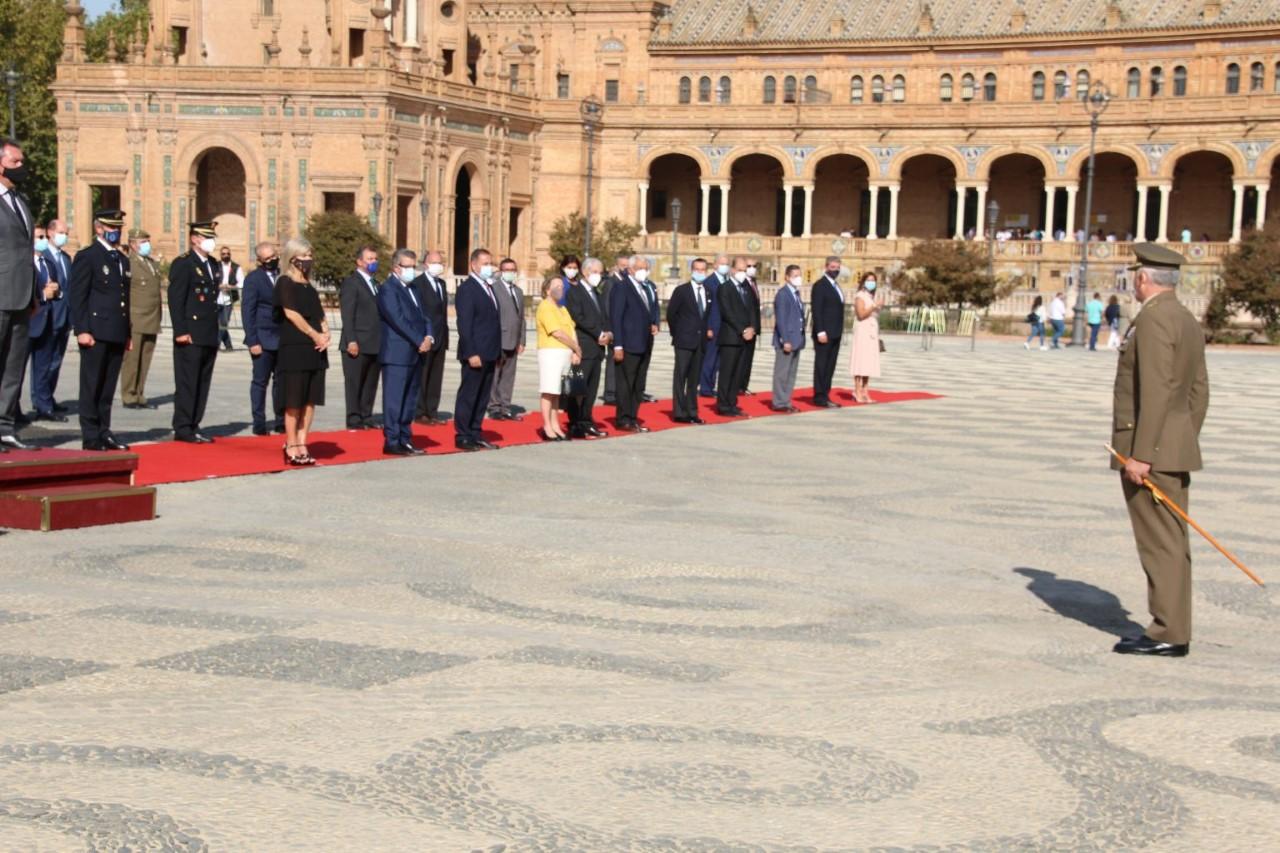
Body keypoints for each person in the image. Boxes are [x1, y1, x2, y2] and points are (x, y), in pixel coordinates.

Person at [1111, 243, 1209, 658]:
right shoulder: (1185, 318)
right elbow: (1198, 391)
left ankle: (1168, 630)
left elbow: (1154, 390)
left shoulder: (1152, 321)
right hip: (1173, 447)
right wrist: (1180, 438)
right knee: (1172, 540)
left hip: (1149, 451)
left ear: (1142, 278)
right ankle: (1171, 623)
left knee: (1159, 542)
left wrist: (1145, 452)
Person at [69, 208, 132, 451]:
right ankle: (91, 434)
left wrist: (127, 332)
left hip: (116, 330)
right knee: (91, 385)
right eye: (111, 227)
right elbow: (78, 297)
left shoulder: (122, 259)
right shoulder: (88, 256)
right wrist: (82, 329)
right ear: (99, 228)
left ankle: (104, 430)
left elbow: (124, 299)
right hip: (95, 331)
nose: (116, 231)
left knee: (107, 387)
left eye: (118, 228)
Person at [273, 237, 329, 466]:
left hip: (315, 350)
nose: (308, 260)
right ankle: (292, 443)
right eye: (304, 256)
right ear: (293, 258)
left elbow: (320, 313)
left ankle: (303, 441)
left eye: (310, 256)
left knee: (309, 400)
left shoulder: (309, 285)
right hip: (295, 346)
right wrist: (314, 334)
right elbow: (291, 314)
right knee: (294, 400)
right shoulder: (284, 282)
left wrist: (325, 333)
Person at [167, 220, 222, 444]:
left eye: (212, 237)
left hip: (209, 331)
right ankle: (183, 426)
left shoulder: (213, 264)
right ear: (194, 239)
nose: (211, 242)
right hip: (190, 332)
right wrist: (180, 330)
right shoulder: (184, 263)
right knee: (188, 382)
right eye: (207, 237)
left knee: (202, 381)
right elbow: (176, 299)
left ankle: (195, 423)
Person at [0, 137, 38, 452]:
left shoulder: (21, 200)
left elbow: (26, 251)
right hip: (0, 295)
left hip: (22, 297)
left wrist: (35, 293)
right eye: (16, 163)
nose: (21, 167)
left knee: (14, 367)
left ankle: (5, 427)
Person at [377, 249, 433, 456]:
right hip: (397, 353)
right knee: (394, 399)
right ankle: (392, 440)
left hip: (416, 352)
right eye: (407, 266)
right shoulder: (388, 289)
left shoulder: (414, 288)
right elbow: (397, 319)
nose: (411, 270)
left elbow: (424, 316)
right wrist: (419, 339)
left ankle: (405, 437)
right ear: (396, 267)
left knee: (410, 399)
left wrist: (429, 336)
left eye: (413, 266)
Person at [453, 248, 502, 451]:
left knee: (483, 395)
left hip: (490, 352)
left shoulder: (489, 287)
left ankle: (475, 431)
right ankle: (463, 434)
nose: (489, 267)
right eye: (485, 263)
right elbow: (465, 324)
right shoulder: (468, 289)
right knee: (470, 394)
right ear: (473, 265)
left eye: (491, 263)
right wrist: (471, 352)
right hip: (475, 352)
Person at [241, 241, 285, 435]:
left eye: (274, 256)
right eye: (267, 258)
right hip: (262, 337)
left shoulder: (283, 276)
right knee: (260, 381)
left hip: (282, 337)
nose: (272, 260)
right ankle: (259, 421)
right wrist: (252, 340)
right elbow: (247, 311)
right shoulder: (254, 279)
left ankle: (281, 419)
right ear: (259, 260)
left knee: (281, 381)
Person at [28, 224, 70, 422]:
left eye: (44, 236)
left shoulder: (48, 263)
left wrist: (56, 290)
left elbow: (60, 289)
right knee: (16, 372)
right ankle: (12, 409)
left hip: (50, 319)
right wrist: (43, 295)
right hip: (29, 321)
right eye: (40, 236)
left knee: (44, 366)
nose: (44, 240)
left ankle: (44, 405)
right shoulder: (25, 263)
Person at [563, 256, 610, 439]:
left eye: (600, 272)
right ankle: (576, 423)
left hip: (597, 349)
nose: (598, 276)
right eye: (595, 272)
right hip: (584, 347)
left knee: (591, 388)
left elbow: (603, 316)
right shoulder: (574, 292)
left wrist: (608, 334)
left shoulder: (596, 293)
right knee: (577, 389)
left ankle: (587, 420)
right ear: (585, 272)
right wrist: (598, 333)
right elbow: (579, 317)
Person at [610, 254, 655, 432]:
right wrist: (618, 345)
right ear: (630, 269)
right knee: (626, 383)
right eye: (640, 268)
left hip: (644, 343)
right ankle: (623, 418)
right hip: (628, 344)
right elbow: (617, 317)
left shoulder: (644, 287)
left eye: (645, 268)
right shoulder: (622, 287)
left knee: (638, 384)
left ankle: (633, 416)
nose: (643, 272)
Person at [118, 227, 161, 412]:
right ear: (133, 245)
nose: (147, 245)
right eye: (143, 242)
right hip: (136, 318)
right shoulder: (129, 264)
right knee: (132, 359)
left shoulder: (151, 263)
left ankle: (139, 393)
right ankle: (129, 395)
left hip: (152, 318)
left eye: (147, 241)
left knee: (145, 358)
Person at [339, 245, 382, 429]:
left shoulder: (376, 284)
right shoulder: (352, 282)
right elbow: (347, 314)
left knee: (370, 382)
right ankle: (354, 417)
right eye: (369, 259)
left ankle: (366, 414)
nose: (373, 262)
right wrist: (351, 340)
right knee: (354, 381)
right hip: (357, 341)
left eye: (375, 259)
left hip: (375, 342)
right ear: (359, 262)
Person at [535, 277, 581, 441]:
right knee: (549, 391)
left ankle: (555, 424)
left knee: (557, 393)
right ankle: (547, 426)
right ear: (548, 290)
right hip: (550, 352)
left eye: (562, 286)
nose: (560, 289)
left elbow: (571, 329)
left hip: (564, 353)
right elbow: (557, 332)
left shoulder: (562, 308)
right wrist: (575, 347)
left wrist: (575, 350)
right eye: (557, 286)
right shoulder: (545, 307)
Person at [666, 257, 710, 423]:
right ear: (692, 271)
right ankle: (679, 411)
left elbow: (705, 316)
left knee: (694, 379)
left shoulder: (707, 291)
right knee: (680, 376)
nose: (700, 273)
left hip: (700, 342)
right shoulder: (682, 291)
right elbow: (671, 314)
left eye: (703, 270)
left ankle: (692, 411)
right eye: (697, 269)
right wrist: (677, 334)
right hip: (684, 341)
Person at [40, 218, 75, 417]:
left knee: (56, 361)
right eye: (62, 232)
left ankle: (49, 397)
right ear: (51, 233)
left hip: (64, 318)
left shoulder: (66, 258)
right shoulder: (43, 256)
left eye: (67, 233)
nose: (65, 236)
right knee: (44, 363)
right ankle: (42, 402)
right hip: (48, 316)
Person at [412, 250, 450, 425]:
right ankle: (420, 412)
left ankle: (432, 410)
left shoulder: (441, 284)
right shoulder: (418, 284)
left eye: (440, 262)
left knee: (436, 375)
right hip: (425, 337)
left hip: (440, 337)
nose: (438, 265)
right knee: (423, 375)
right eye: (435, 262)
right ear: (426, 264)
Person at [488, 256, 528, 421]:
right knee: (495, 374)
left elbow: (522, 318)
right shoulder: (494, 289)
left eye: (513, 270)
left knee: (509, 376)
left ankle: (505, 405)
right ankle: (494, 406)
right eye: (507, 270)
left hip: (514, 339)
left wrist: (522, 340)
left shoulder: (518, 291)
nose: (510, 273)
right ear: (501, 271)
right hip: (499, 339)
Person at [715, 256, 754, 417]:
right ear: (732, 270)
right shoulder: (725, 288)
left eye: (744, 270)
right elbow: (727, 312)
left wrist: (752, 328)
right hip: (731, 337)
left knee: (738, 372)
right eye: (739, 270)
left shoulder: (747, 288)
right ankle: (723, 404)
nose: (742, 273)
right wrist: (742, 330)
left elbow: (752, 310)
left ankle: (732, 402)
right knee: (727, 372)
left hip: (745, 337)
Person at [810, 256, 845, 408]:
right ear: (826, 267)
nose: (835, 270)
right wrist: (820, 331)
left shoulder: (836, 286)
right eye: (832, 267)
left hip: (835, 332)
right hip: (824, 333)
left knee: (830, 366)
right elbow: (817, 310)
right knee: (822, 365)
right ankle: (819, 396)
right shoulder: (820, 285)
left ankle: (826, 393)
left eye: (837, 268)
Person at [771, 264, 806, 413]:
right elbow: (781, 319)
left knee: (791, 373)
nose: (798, 278)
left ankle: (786, 400)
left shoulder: (796, 294)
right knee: (782, 372)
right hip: (787, 340)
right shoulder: (783, 294)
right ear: (787, 277)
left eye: (799, 275)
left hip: (796, 339)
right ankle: (779, 402)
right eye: (795, 275)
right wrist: (785, 339)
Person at [698, 254, 728, 397]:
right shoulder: (709, 282)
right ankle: (704, 387)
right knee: (710, 358)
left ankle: (711, 385)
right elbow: (707, 307)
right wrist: (708, 327)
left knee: (718, 361)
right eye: (722, 263)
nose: (725, 266)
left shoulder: (727, 281)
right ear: (715, 265)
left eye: (726, 264)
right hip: (713, 325)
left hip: (724, 327)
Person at [850, 272, 882, 404]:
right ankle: (857, 390)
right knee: (860, 360)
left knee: (868, 361)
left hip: (871, 331)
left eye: (873, 281)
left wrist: (876, 307)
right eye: (869, 280)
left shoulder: (870, 296)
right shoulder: (860, 296)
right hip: (862, 330)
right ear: (863, 282)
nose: (871, 283)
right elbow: (861, 314)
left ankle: (865, 390)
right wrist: (874, 306)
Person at [600, 253, 628, 405]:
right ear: (617, 266)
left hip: (624, 329)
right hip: (613, 328)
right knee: (612, 361)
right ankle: (610, 393)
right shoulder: (612, 282)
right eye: (623, 266)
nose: (625, 268)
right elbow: (607, 306)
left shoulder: (624, 281)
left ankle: (618, 391)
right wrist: (609, 329)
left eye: (626, 266)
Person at [739, 258, 762, 395]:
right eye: (749, 266)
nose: (752, 268)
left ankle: (743, 385)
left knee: (748, 360)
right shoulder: (742, 284)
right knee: (741, 360)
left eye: (754, 266)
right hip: (746, 329)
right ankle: (738, 386)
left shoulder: (753, 282)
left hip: (753, 328)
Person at [216, 247, 241, 351]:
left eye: (227, 254)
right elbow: (210, 280)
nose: (226, 255)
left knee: (224, 323)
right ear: (220, 255)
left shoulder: (236, 267)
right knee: (217, 324)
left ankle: (215, 345)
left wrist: (231, 287)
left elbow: (241, 282)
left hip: (229, 299)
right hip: (216, 298)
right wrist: (219, 285)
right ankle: (229, 345)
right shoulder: (215, 266)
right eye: (223, 254)